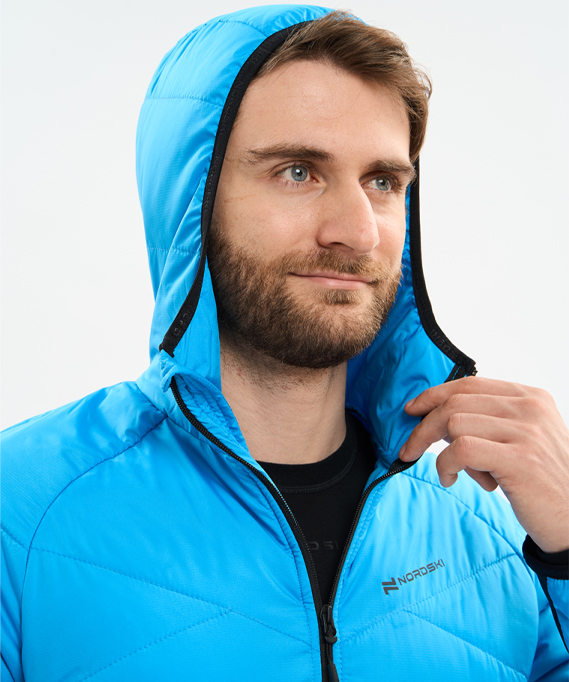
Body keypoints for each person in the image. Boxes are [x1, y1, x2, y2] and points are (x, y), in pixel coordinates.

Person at [1, 5, 567, 681]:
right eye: (298, 171)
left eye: (383, 182)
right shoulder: (20, 513)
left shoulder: (501, 529)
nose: (359, 231)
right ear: (189, 201)